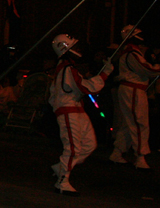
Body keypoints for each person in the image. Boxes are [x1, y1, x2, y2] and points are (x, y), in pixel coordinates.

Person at [48, 34, 113, 196]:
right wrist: (104, 75)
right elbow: (85, 87)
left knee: (89, 144)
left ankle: (61, 168)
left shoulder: (68, 68)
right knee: (73, 147)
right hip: (68, 110)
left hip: (76, 109)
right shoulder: (67, 69)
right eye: (74, 48)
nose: (78, 50)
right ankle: (62, 180)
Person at [110, 25, 160, 169]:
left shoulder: (132, 53)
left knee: (129, 123)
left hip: (133, 90)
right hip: (133, 90)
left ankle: (117, 152)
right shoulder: (132, 54)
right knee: (139, 123)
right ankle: (140, 156)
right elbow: (147, 69)